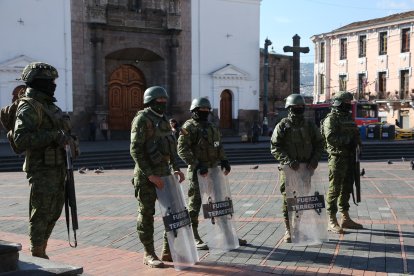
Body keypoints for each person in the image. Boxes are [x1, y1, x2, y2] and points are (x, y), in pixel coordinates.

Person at [13, 62, 78, 258]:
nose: (53, 85)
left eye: (53, 81)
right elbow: (20, 139)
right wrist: (53, 136)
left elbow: (62, 131)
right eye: (48, 81)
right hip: (41, 169)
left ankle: (42, 246)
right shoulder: (29, 107)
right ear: (37, 82)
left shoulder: (50, 106)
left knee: (55, 210)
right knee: (41, 211)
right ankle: (37, 251)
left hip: (59, 166)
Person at [177, 97, 247, 250]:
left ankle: (228, 234)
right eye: (201, 110)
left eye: (206, 110)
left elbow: (218, 146)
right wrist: (197, 164)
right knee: (194, 205)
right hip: (198, 172)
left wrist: (224, 161)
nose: (204, 113)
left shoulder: (212, 127)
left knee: (220, 203)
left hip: (214, 170)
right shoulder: (188, 127)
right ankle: (194, 236)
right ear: (194, 111)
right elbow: (182, 150)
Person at [130, 86, 185, 268]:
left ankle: (167, 250)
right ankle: (148, 253)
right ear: (150, 102)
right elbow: (135, 150)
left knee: (171, 213)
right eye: (158, 101)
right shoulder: (142, 120)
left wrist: (176, 168)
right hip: (147, 176)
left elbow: (171, 148)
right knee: (146, 214)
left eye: (164, 100)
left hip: (165, 174)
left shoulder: (163, 121)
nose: (162, 103)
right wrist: (150, 174)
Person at [270, 94, 324, 243]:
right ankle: (288, 230)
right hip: (289, 169)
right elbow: (275, 147)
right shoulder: (283, 125)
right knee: (288, 199)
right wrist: (288, 161)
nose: (298, 110)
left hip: (306, 169)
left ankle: (297, 227)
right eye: (295, 108)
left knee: (302, 200)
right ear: (289, 108)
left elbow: (320, 144)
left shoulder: (309, 126)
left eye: (301, 107)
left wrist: (314, 160)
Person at [322, 91, 363, 234]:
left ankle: (345, 217)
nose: (349, 106)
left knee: (347, 187)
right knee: (335, 188)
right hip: (337, 158)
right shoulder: (331, 119)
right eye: (347, 103)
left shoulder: (349, 118)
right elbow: (331, 138)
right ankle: (332, 219)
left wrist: (358, 144)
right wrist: (348, 141)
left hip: (351, 157)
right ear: (340, 104)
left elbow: (356, 134)